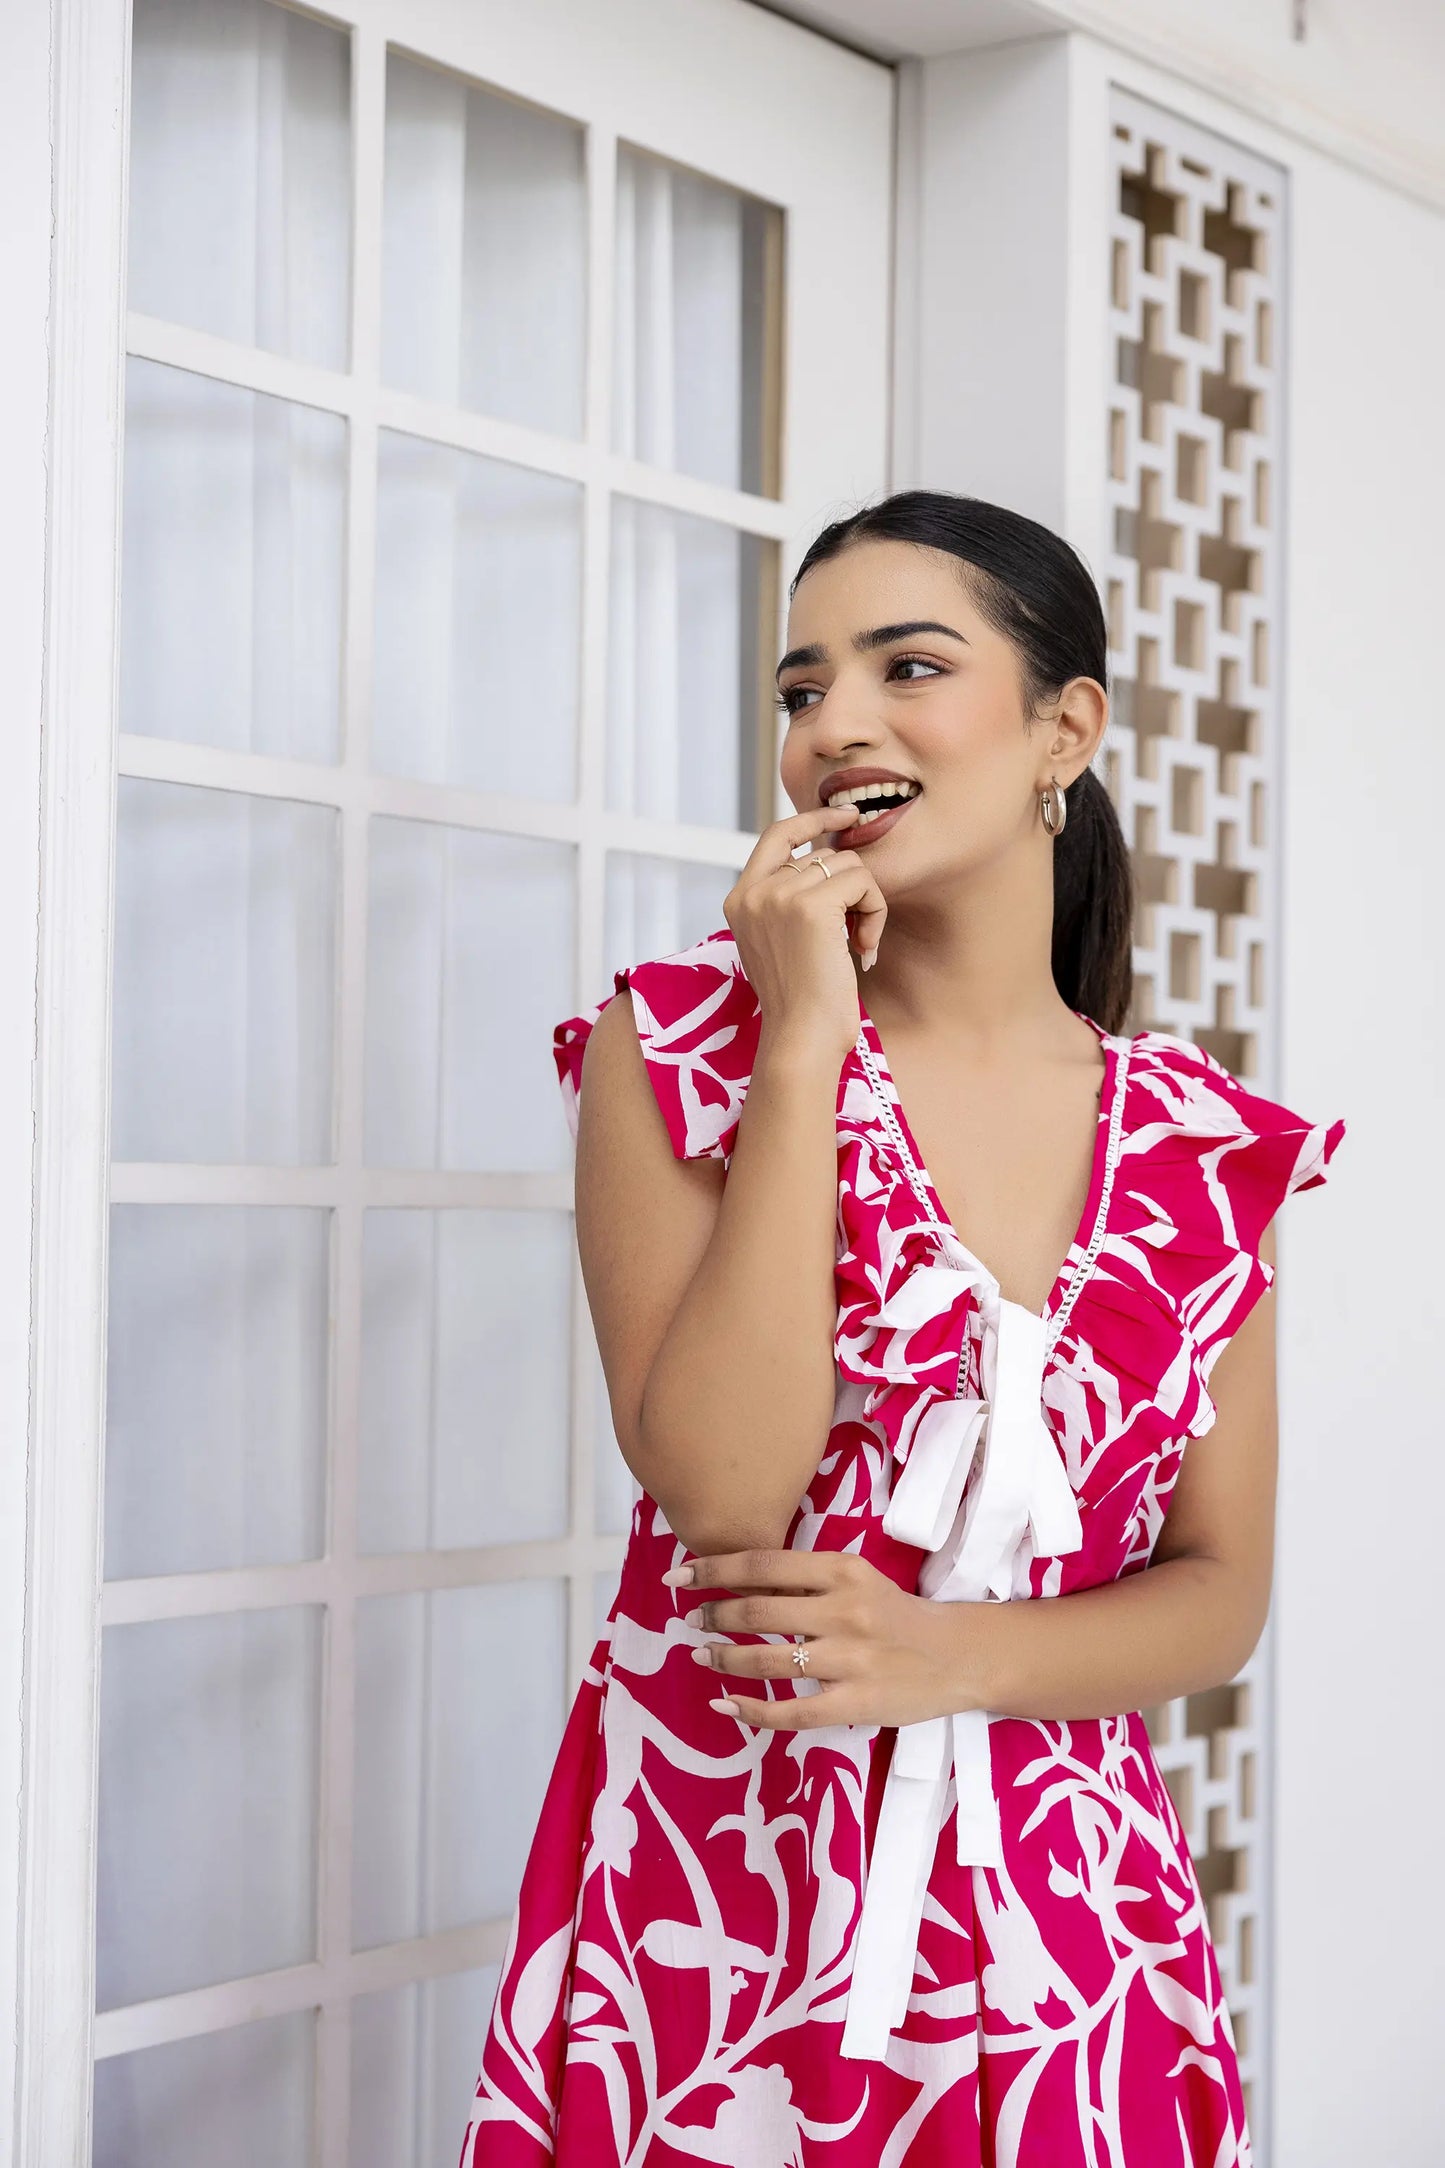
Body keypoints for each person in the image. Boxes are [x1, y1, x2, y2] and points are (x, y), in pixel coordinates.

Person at [459, 491, 1346, 2165]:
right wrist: (805, 1037)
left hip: (1080, 1945)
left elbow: (1216, 1594)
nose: (832, 728)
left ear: (1060, 730)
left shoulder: (1205, 1151)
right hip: (721, 1914)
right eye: (801, 692)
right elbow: (721, 1487)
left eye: (905, 668)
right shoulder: (681, 1049)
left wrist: (942, 1660)